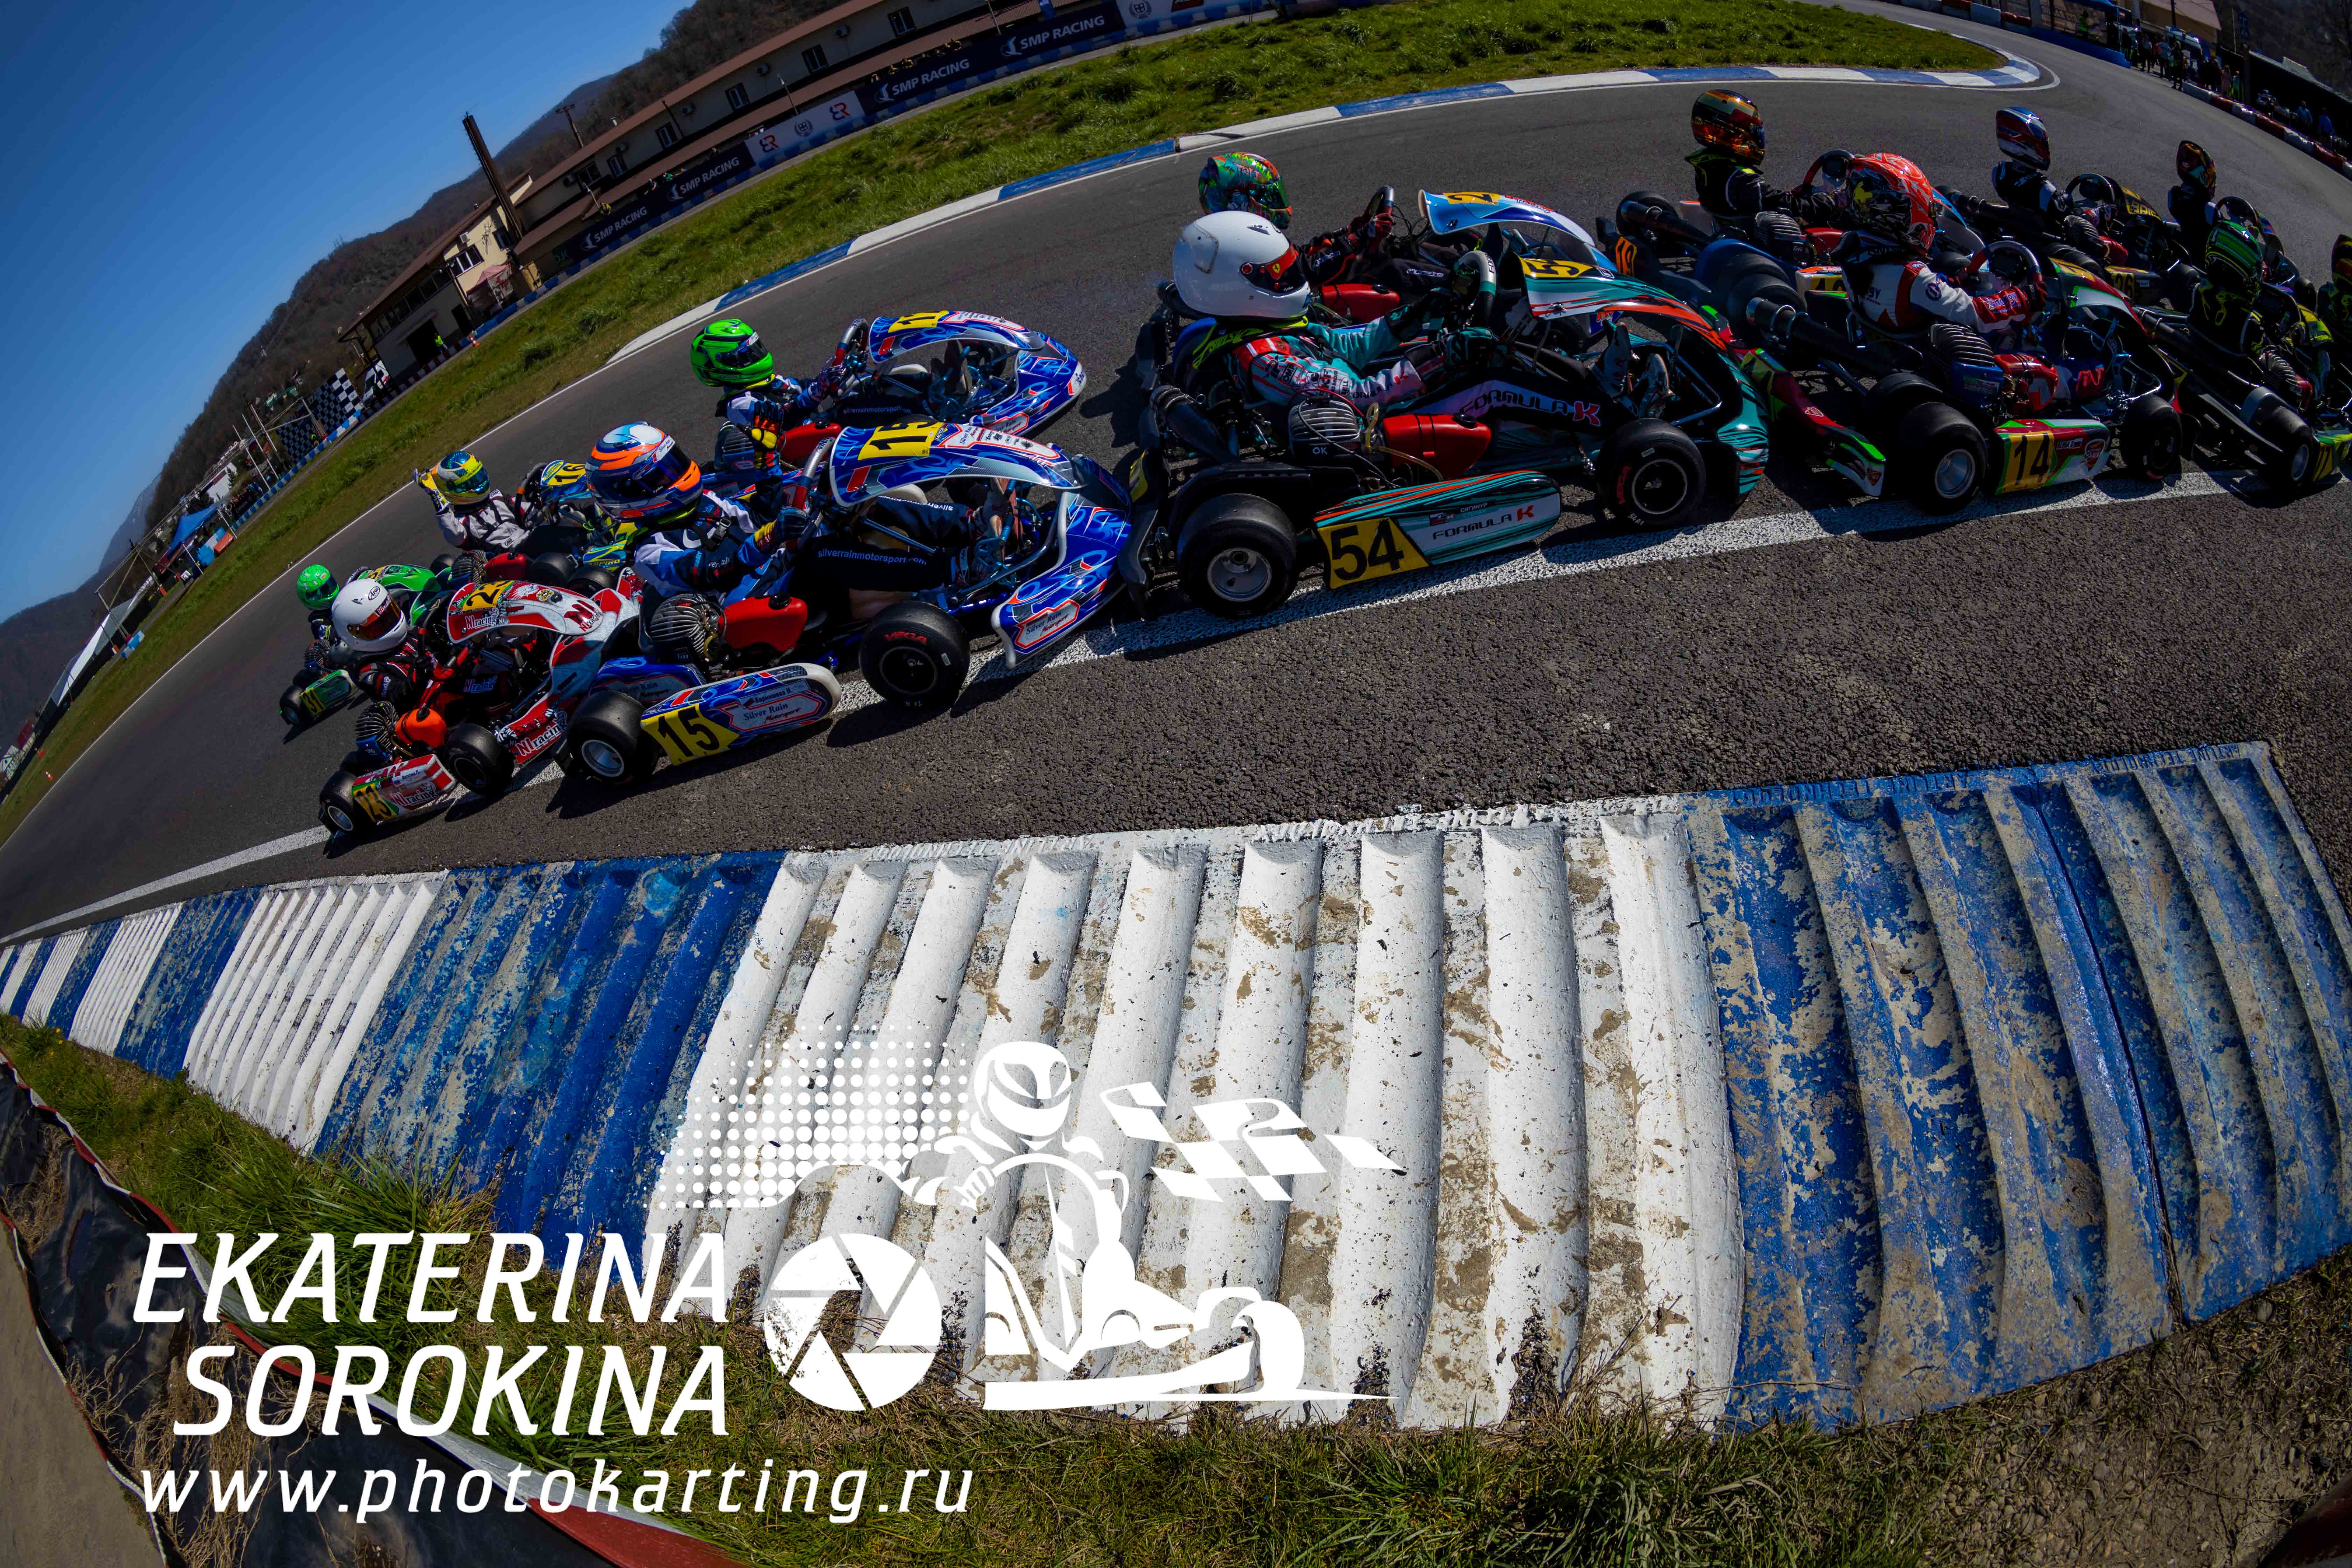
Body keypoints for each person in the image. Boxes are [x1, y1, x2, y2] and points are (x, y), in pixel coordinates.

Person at [1168, 210, 1442, 414]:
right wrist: (1440, 357)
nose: (1291, 276)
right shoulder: (1266, 360)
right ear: (1235, 287)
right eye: (1277, 272)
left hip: (1363, 400)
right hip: (1367, 427)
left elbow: (1347, 345)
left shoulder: (1269, 327)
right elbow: (1363, 395)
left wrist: (1419, 312)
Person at [1838, 154, 2041, 409]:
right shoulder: (1911, 276)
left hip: (1883, 339)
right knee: (2040, 366)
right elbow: (1975, 314)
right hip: (1925, 362)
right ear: (1898, 215)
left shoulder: (1853, 250)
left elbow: (1917, 291)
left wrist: (1953, 281)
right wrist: (2022, 298)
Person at [1196, 152, 1405, 289]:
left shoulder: (1234, 234)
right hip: (1293, 313)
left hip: (1278, 302)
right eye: (1267, 197)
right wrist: (1358, 238)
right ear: (1242, 201)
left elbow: (1297, 256)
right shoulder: (1247, 244)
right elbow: (1306, 272)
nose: (1275, 201)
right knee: (1393, 270)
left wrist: (1347, 232)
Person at [1684, 91, 1843, 264]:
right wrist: (1830, 202)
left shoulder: (1710, 165)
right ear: (1735, 135)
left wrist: (1795, 195)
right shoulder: (1740, 179)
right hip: (1762, 245)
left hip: (1732, 229)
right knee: (1838, 233)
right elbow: (1789, 206)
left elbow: (1772, 199)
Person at [1987, 106, 2104, 266]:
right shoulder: (2043, 188)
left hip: (2020, 233)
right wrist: (2094, 214)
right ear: (2030, 144)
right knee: (2110, 250)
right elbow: (2068, 217)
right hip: (2047, 245)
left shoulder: (2000, 174)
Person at [413, 449, 528, 554]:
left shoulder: (498, 498)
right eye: (470, 483)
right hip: (508, 560)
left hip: (529, 540)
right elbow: (455, 535)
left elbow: (528, 510)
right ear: (453, 489)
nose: (478, 482)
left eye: (478, 477)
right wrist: (437, 497)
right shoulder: (462, 522)